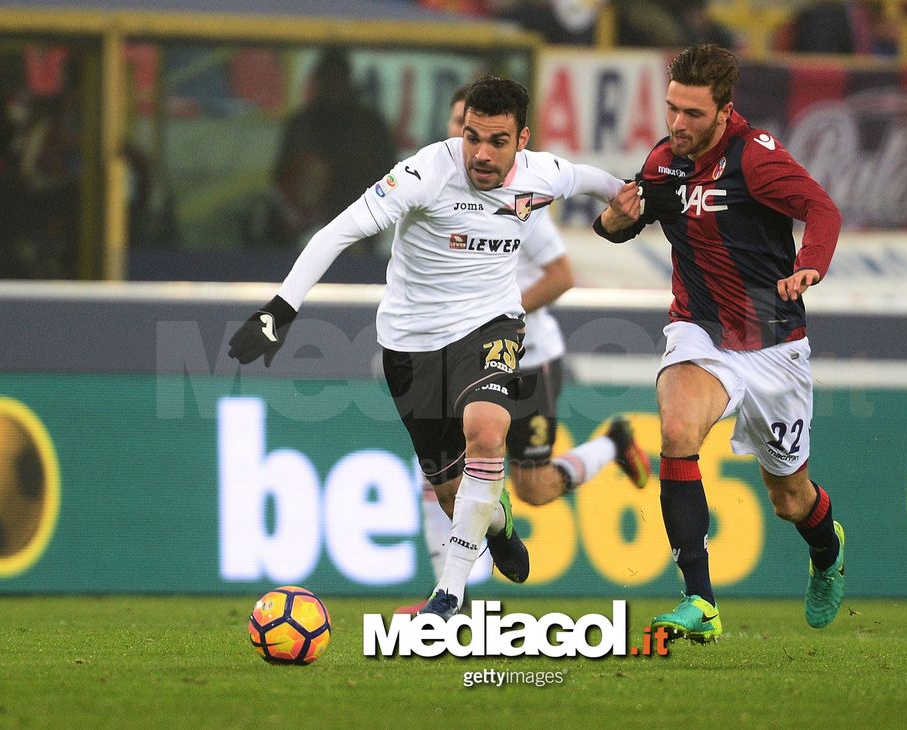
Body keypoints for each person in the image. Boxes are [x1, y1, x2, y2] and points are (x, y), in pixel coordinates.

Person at [228, 76, 626, 619]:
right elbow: (335, 233)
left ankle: (450, 596)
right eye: (472, 137)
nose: (481, 155)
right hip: (410, 346)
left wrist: (636, 204)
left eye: (497, 141)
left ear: (523, 140)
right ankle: (497, 523)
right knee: (449, 491)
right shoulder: (423, 173)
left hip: (493, 325)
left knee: (487, 430)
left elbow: (602, 182)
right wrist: (280, 310)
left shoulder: (543, 175)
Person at [593, 44, 846, 641]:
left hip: (774, 345)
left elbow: (822, 209)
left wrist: (810, 265)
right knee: (678, 432)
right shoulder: (663, 163)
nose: (678, 125)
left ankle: (826, 550)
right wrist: (611, 222)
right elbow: (622, 226)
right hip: (700, 330)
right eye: (671, 109)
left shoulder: (755, 159)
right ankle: (700, 601)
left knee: (790, 498)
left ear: (725, 112)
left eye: (693, 115)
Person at [394, 85, 652, 614]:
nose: (467, 145)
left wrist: (491, 314)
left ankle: (613, 442)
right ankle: (452, 594)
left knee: (532, 489)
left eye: (487, 135)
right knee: (446, 479)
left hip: (527, 358)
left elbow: (561, 276)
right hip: (460, 358)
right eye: (459, 128)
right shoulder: (437, 189)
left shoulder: (520, 201)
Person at [244, 49, 396, 252]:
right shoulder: (302, 124)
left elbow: (389, 181)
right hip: (301, 236)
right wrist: (298, 218)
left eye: (337, 79)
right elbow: (282, 182)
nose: (332, 86)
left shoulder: (369, 126)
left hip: (358, 236)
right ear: (317, 81)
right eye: (326, 79)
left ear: (347, 81)